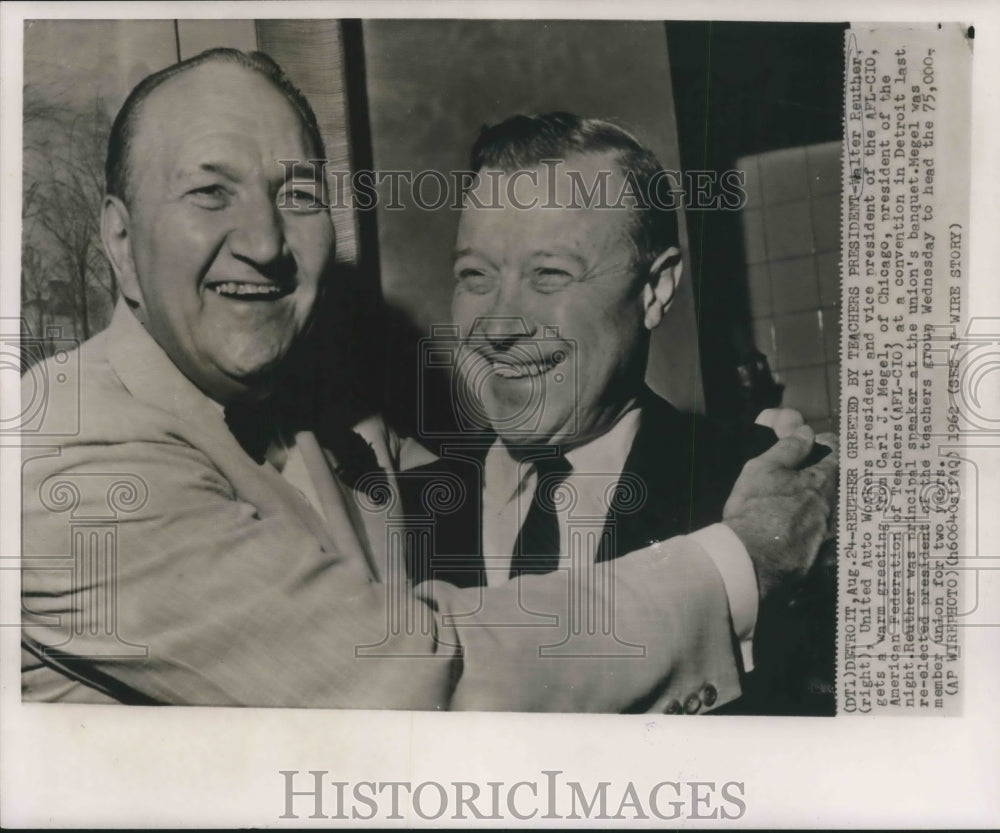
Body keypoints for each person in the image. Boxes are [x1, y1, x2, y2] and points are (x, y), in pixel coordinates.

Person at [21, 50, 836, 713]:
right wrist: (741, 563)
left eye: (297, 194)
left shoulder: (770, 483)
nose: (264, 240)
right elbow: (421, 679)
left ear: (656, 288)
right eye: (209, 192)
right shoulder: (60, 463)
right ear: (121, 244)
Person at [402, 113, 837, 712]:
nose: (497, 326)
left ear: (655, 290)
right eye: (474, 275)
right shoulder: (390, 514)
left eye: (548, 274)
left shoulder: (774, 498)